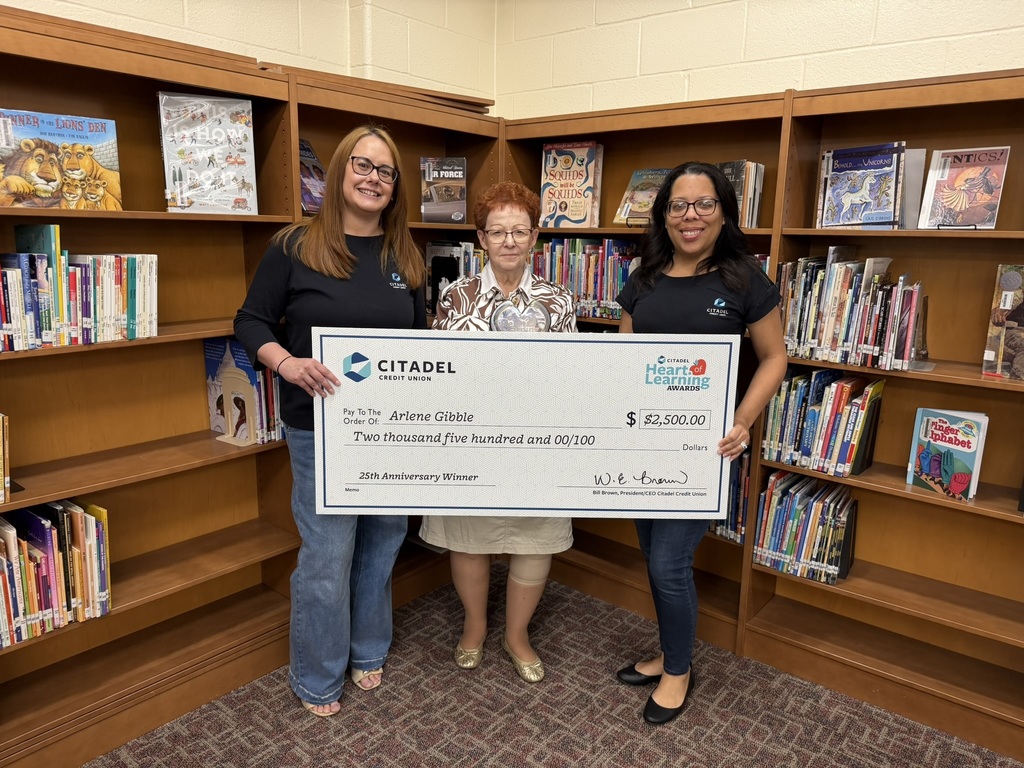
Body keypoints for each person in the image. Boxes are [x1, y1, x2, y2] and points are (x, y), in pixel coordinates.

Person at [234, 125, 426, 717]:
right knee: (327, 553)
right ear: (341, 172)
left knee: (384, 539)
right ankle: (317, 674)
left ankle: (368, 648)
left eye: (386, 172)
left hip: (391, 431)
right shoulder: (293, 246)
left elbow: (420, 345)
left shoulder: (404, 255)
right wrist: (286, 364)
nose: (374, 178)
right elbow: (250, 323)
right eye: (363, 166)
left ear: (395, 187)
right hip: (320, 429)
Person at [614, 162, 787, 724]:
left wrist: (741, 421)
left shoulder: (743, 280)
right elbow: (623, 362)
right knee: (650, 552)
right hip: (644, 446)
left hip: (704, 452)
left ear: (723, 211)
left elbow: (774, 357)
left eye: (703, 204)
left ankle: (679, 670)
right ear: (664, 214)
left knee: (669, 562)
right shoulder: (643, 278)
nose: (690, 216)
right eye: (678, 205)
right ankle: (668, 650)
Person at [419, 181, 576, 683]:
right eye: (498, 231)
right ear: (482, 238)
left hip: (538, 442)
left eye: (520, 231)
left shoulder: (558, 301)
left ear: (534, 238)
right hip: (472, 440)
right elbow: (439, 372)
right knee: (470, 536)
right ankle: (475, 624)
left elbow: (576, 374)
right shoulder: (454, 297)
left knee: (535, 539)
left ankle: (516, 634)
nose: (509, 241)